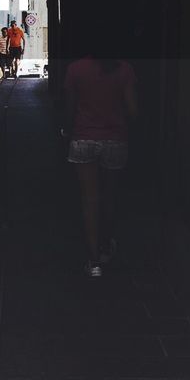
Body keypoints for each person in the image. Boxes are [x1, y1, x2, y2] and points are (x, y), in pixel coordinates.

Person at [62, 48, 137, 278]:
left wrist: (66, 129)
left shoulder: (75, 70)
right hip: (115, 140)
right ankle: (105, 246)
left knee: (89, 200)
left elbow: (69, 107)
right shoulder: (124, 70)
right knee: (110, 197)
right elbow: (133, 111)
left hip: (84, 139)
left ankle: (94, 262)